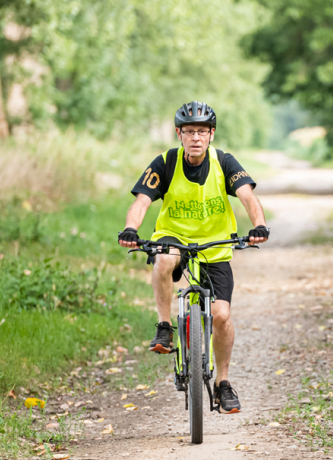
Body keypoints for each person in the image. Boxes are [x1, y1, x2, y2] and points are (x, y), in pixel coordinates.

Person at [116, 101, 269, 414]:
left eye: (202, 131)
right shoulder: (165, 162)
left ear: (211, 134)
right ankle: (163, 325)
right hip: (174, 237)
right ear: (179, 134)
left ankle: (223, 383)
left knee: (222, 315)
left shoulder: (224, 162)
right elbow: (143, 201)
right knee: (163, 259)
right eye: (189, 131)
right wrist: (131, 228)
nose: (195, 137)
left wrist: (259, 225)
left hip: (214, 246)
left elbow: (247, 196)